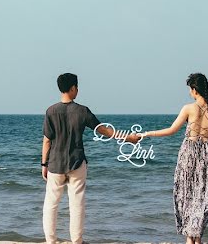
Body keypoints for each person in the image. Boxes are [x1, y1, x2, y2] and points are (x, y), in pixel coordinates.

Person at [41, 72, 140, 244]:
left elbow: (47, 140)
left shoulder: (50, 111)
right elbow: (104, 131)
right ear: (72, 88)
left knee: (51, 204)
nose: (77, 90)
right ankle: (77, 240)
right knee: (77, 203)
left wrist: (44, 164)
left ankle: (51, 241)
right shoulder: (82, 111)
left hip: (55, 163)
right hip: (77, 162)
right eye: (76, 87)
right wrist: (128, 138)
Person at [132, 73, 208, 244]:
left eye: (190, 89)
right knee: (201, 198)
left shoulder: (189, 108)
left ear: (194, 90)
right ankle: (197, 239)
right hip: (207, 155)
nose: (189, 92)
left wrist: (147, 134)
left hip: (188, 153)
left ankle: (189, 239)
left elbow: (172, 130)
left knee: (185, 194)